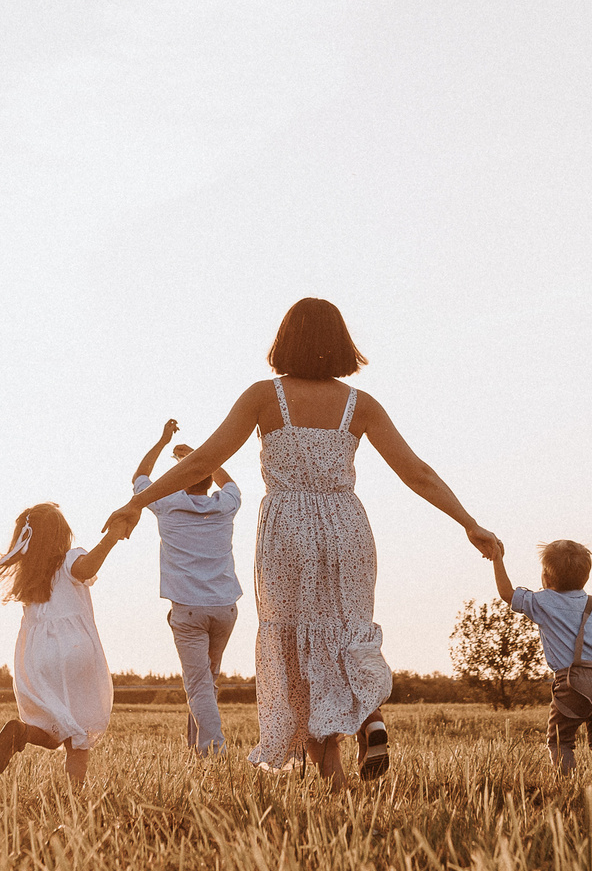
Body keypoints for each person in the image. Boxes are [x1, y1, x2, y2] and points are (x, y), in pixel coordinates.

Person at [105, 297, 502, 789]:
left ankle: (334, 779)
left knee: (296, 650)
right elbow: (416, 472)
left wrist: (138, 503)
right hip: (346, 528)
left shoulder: (263, 397)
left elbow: (201, 461)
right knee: (349, 631)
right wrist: (468, 522)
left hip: (287, 531)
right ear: (341, 343)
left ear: (285, 341)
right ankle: (371, 718)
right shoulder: (360, 404)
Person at [0, 502, 128, 787]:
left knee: (53, 729)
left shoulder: (29, 577)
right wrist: (111, 537)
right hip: (75, 652)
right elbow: (87, 568)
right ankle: (73, 795)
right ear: (62, 535)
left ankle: (23, 733)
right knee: (78, 736)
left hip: (38, 658)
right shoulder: (70, 560)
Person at [131, 417, 243, 756]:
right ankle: (197, 748)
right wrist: (199, 456)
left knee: (198, 685)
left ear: (179, 480)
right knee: (207, 682)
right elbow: (228, 482)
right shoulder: (226, 505)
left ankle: (213, 751)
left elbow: (140, 477)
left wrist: (163, 442)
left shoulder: (165, 504)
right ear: (208, 480)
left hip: (189, 610)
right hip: (225, 608)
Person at [490, 538, 592, 772]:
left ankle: (568, 784)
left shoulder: (542, 602)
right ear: (585, 576)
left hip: (572, 681)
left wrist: (497, 559)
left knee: (560, 742)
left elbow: (507, 594)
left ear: (546, 577)